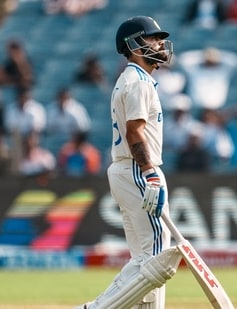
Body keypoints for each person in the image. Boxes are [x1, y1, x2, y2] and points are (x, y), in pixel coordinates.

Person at [76, 16, 180, 309]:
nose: (160, 44)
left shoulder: (134, 79)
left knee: (145, 259)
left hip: (127, 169)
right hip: (137, 169)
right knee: (159, 258)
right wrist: (150, 173)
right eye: (153, 38)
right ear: (134, 45)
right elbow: (134, 132)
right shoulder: (136, 81)